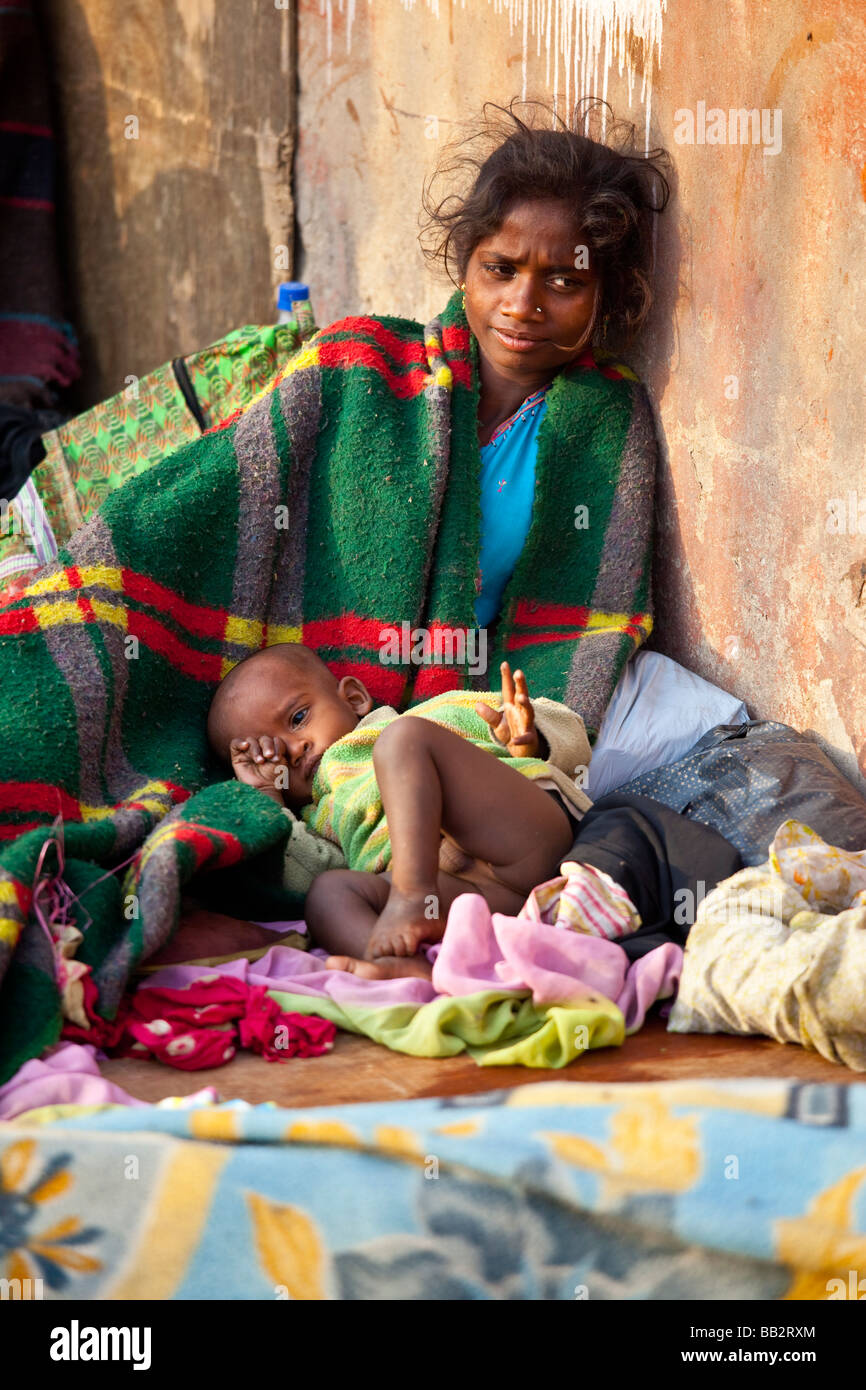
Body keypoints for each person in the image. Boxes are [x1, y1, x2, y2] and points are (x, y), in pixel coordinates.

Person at [207, 642, 601, 978]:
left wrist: (528, 741)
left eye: (298, 718)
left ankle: (412, 896)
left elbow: (569, 727)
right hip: (472, 898)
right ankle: (392, 963)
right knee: (328, 893)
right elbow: (296, 881)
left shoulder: (427, 718)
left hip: (524, 843)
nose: (295, 750)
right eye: (274, 753)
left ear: (354, 699)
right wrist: (265, 794)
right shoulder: (320, 815)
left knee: (402, 743)